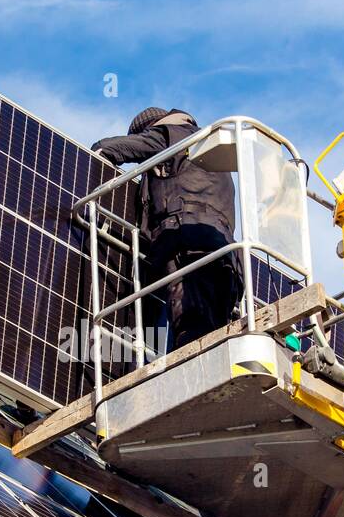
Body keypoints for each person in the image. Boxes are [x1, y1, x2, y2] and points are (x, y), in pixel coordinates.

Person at [93, 107, 239, 351]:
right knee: (214, 333)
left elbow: (110, 148)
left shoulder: (170, 136)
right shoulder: (211, 153)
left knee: (192, 327)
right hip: (227, 257)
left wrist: (94, 164)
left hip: (187, 242)